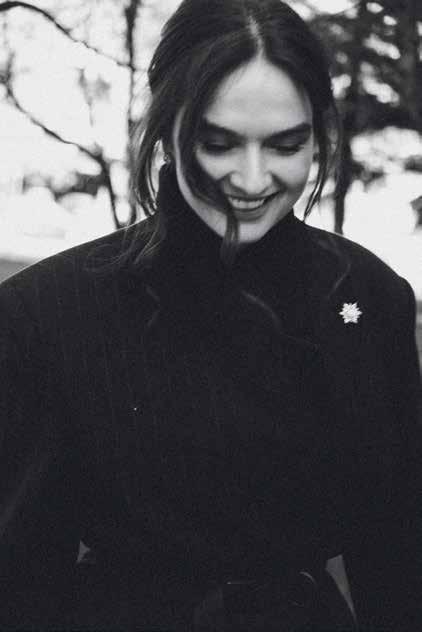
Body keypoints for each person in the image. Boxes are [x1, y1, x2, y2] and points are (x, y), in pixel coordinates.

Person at [0, 0, 421, 629]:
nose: (251, 180)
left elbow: (398, 562)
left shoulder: (371, 297)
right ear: (166, 127)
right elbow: (20, 586)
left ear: (319, 135)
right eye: (218, 143)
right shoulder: (46, 312)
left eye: (286, 145)